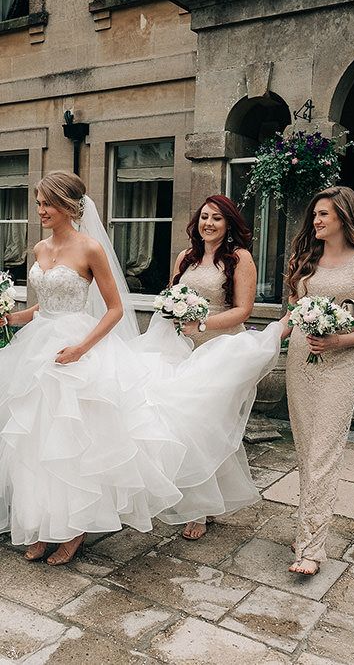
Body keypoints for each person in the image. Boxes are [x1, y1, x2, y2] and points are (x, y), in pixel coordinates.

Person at [0, 174, 282, 563]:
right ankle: (41, 523)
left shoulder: (90, 248)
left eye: (47, 203)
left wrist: (82, 349)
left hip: (78, 347)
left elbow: (115, 309)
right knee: (36, 438)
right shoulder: (38, 248)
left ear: (69, 205)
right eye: (38, 203)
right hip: (38, 349)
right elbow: (43, 305)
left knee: (74, 441)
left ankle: (74, 530)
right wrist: (12, 318)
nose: (41, 211)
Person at [281, 186, 354, 575]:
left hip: (339, 368)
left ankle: (311, 549)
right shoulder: (303, 260)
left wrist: (338, 340)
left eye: (324, 214)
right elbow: (291, 316)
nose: (316, 221)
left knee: (324, 452)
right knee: (307, 453)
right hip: (300, 365)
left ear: (344, 216)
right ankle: (308, 528)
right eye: (315, 215)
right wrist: (259, 343)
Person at [170, 195, 258, 540]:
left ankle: (202, 508)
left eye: (217, 219)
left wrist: (203, 326)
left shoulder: (239, 258)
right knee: (185, 425)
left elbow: (243, 310)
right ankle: (193, 494)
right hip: (184, 348)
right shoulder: (185, 257)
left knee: (210, 426)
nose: (208, 223)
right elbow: (171, 297)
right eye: (204, 216)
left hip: (222, 349)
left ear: (228, 224)